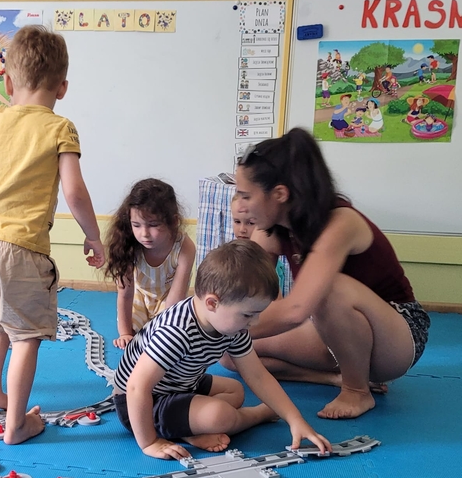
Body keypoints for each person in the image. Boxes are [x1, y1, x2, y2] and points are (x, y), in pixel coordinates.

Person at [0, 25, 105, 445]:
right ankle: (16, 424)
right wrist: (93, 236)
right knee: (26, 337)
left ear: (7, 82)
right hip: (21, 248)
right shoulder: (59, 127)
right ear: (62, 87)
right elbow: (74, 191)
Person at [227, 128, 430, 420]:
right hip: (332, 336)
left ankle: (357, 390)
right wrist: (204, 322)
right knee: (231, 353)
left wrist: (220, 328)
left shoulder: (341, 223)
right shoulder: (270, 230)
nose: (240, 206)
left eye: (246, 195)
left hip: (396, 337)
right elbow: (239, 292)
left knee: (329, 290)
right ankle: (331, 378)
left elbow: (296, 310)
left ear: (280, 194)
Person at [112, 239, 330, 459]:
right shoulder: (176, 332)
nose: (254, 322)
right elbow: (136, 387)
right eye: (248, 314)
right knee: (219, 415)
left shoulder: (232, 326)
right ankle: (254, 416)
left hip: (181, 385)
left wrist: (295, 419)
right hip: (142, 403)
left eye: (258, 314)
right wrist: (150, 443)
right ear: (212, 303)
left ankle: (187, 429)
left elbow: (257, 375)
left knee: (235, 391)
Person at [104, 178, 195, 349]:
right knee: (136, 336)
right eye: (136, 225)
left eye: (153, 225)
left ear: (173, 222)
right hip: (140, 298)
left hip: (168, 300)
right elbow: (125, 294)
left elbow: (175, 299)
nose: (144, 233)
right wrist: (125, 333)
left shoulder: (184, 246)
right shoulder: (128, 244)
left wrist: (165, 331)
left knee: (176, 334)